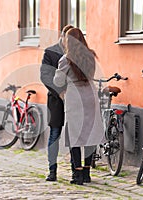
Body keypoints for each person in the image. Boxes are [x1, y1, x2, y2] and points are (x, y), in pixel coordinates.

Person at [53, 28, 104, 185]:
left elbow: (57, 81)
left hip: (75, 97)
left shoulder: (65, 60)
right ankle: (87, 172)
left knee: (74, 135)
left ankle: (78, 174)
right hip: (90, 95)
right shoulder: (91, 56)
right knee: (90, 133)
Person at [40, 24, 74, 181]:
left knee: (76, 134)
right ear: (62, 37)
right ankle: (52, 170)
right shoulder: (51, 52)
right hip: (56, 100)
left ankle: (77, 171)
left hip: (75, 100)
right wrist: (59, 92)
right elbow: (45, 76)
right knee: (55, 134)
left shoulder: (77, 52)